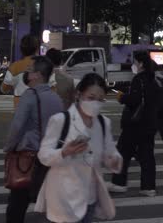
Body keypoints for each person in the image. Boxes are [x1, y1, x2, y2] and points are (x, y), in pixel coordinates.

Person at [35, 73, 122, 223]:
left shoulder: (103, 123)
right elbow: (43, 155)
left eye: (100, 99)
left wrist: (113, 160)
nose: (95, 103)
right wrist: (64, 152)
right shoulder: (61, 120)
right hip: (63, 197)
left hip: (90, 197)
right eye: (91, 97)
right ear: (79, 94)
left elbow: (110, 152)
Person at [4, 56, 64, 223]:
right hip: (50, 158)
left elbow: (17, 127)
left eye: (30, 70)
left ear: (37, 75)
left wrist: (9, 148)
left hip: (29, 158)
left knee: (17, 205)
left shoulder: (30, 96)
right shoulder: (56, 98)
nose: (27, 73)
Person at [108, 51, 163, 197]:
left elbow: (135, 99)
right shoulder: (154, 79)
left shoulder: (139, 79)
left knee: (123, 152)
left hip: (135, 124)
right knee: (147, 156)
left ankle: (119, 183)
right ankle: (148, 187)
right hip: (150, 123)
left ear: (141, 64)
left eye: (135, 62)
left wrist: (122, 97)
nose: (134, 65)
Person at [1, 35, 39, 108]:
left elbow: (4, 89)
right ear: (36, 49)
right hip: (40, 108)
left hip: (20, 107)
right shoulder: (45, 66)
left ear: (21, 49)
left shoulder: (14, 67)